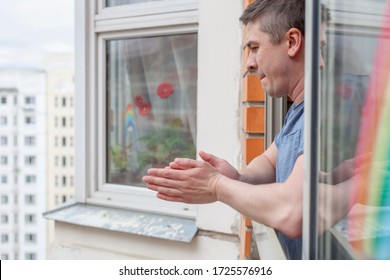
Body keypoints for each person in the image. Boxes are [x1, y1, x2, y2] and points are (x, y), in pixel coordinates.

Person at [143, 0, 330, 260]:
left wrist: (217, 186)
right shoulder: (298, 110)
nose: (249, 64)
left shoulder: (324, 112)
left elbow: (294, 211)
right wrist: (237, 180)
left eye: (254, 48)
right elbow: (271, 160)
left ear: (292, 42)